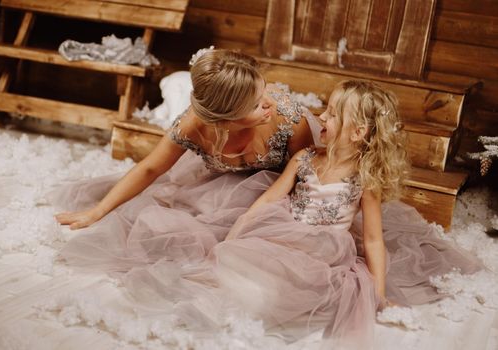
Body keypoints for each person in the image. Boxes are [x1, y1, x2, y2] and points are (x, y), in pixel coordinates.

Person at [122, 80, 481, 348]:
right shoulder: (305, 157)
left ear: (358, 132)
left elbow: (372, 238)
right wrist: (235, 234)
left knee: (285, 288)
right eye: (326, 109)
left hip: (324, 250)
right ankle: (219, 299)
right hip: (285, 230)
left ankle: (256, 302)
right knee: (242, 259)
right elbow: (267, 201)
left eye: (333, 115)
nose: (321, 116)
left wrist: (378, 291)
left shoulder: (364, 179)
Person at [52, 49, 316, 270]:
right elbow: (151, 168)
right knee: (177, 228)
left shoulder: (286, 118)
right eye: (257, 104)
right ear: (226, 117)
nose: (269, 102)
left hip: (281, 182)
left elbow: (307, 172)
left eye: (264, 92)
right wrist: (96, 212)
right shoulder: (193, 126)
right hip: (223, 185)